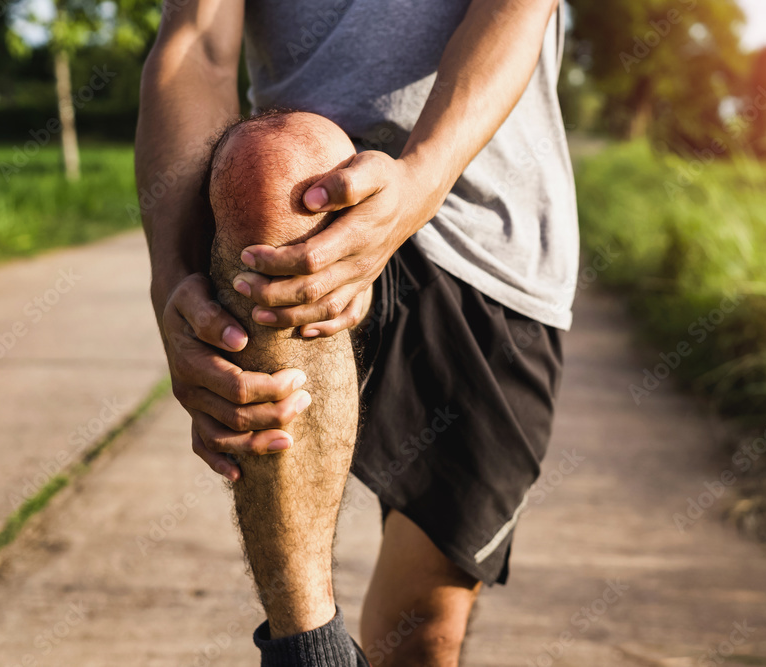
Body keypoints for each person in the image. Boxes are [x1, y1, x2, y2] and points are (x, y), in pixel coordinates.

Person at [135, 0, 579, 665]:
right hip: (306, 206)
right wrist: (171, 274)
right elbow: (197, 42)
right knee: (275, 161)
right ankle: (305, 646)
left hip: (491, 238)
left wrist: (418, 180)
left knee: (424, 629)